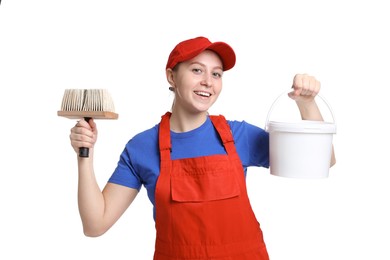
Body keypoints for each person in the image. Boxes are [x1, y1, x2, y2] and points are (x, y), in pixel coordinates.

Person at [69, 36, 336, 260]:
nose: (208, 81)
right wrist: (85, 155)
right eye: (197, 70)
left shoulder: (238, 135)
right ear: (171, 76)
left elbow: (322, 160)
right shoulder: (142, 147)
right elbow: (95, 224)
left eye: (216, 74)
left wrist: (307, 103)